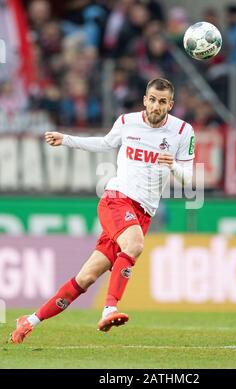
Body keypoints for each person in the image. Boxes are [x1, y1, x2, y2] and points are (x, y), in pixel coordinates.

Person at [10, 78, 195, 343]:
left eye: (162, 102)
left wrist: (173, 167)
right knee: (134, 245)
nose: (156, 106)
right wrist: (67, 140)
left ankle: (29, 321)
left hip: (143, 212)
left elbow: (189, 178)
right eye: (152, 99)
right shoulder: (127, 122)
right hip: (117, 199)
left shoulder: (183, 131)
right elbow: (105, 143)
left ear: (170, 105)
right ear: (145, 99)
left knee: (85, 277)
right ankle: (110, 308)